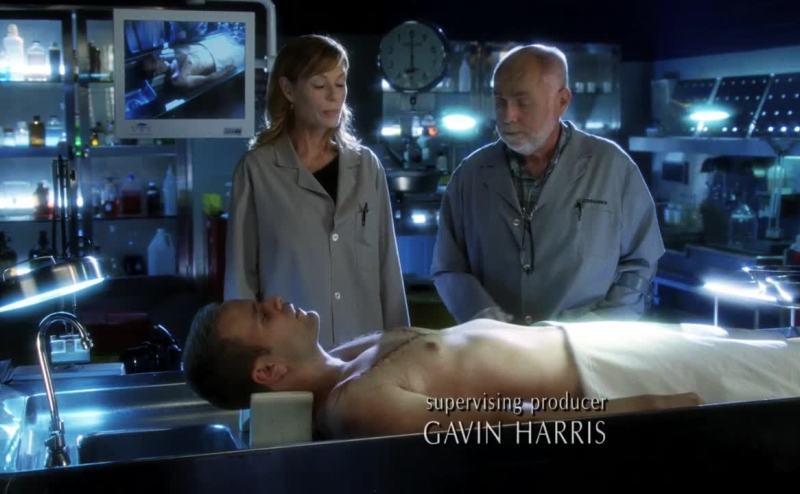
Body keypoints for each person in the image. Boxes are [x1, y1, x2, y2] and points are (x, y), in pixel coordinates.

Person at [182, 297, 800, 439]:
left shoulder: (344, 357)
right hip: (613, 381)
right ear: (268, 372)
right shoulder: (358, 404)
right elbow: (512, 425)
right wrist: (651, 410)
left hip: (597, 343)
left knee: (777, 354)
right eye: (261, 315)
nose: (274, 301)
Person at [431, 44, 664, 325]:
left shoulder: (613, 167)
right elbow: (449, 266)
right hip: (496, 344)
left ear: (562, 101)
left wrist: (601, 327)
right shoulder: (470, 175)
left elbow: (640, 263)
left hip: (587, 345)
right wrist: (481, 315)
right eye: (500, 102)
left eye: (523, 102)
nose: (508, 116)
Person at [224, 35, 409, 349]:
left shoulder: (366, 167)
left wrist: (401, 347)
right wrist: (246, 356)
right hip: (290, 354)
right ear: (288, 90)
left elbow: (388, 268)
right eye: (320, 85)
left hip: (363, 353)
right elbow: (240, 280)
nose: (334, 96)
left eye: (340, 84)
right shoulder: (257, 170)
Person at [139, 31, 244, 91]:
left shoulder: (171, 50)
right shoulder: (177, 79)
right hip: (223, 58)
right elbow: (208, 79)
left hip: (214, 42)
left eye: (153, 59)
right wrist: (226, 71)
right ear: (156, 73)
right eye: (153, 63)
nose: (158, 59)